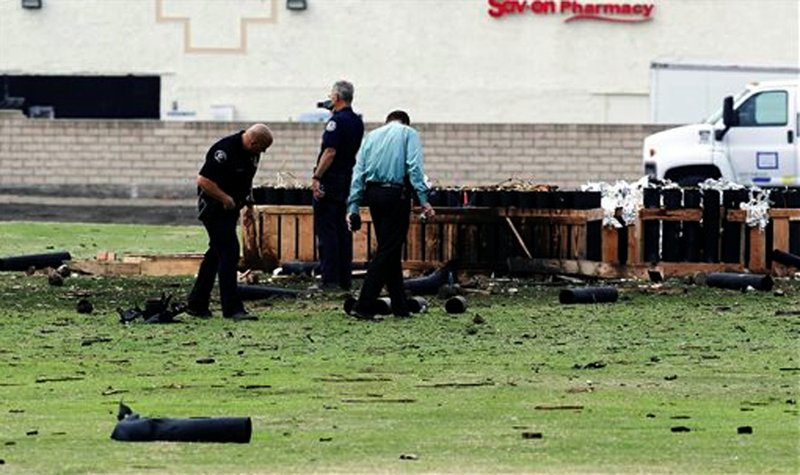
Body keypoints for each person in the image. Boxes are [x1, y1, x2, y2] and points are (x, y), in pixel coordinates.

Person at [346, 110, 435, 320]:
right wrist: (424, 200)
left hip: (374, 195)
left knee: (390, 251)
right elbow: (414, 168)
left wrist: (353, 206)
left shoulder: (371, 137)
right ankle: (364, 305)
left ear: (387, 121)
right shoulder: (408, 133)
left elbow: (358, 173)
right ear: (405, 121)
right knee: (388, 250)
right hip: (396, 195)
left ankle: (400, 307)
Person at [186, 124, 273, 321]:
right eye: (261, 148)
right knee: (229, 251)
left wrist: (248, 204)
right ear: (253, 141)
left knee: (215, 255)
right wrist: (225, 198)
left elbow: (246, 180)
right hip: (214, 209)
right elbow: (203, 180)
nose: (261, 153)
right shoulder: (224, 150)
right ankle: (232, 308)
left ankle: (197, 303)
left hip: (231, 208)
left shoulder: (252, 153)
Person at [311, 80, 365, 291]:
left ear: (336, 98)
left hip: (330, 180)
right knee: (343, 232)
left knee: (327, 232)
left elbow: (330, 152)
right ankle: (344, 279)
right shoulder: (357, 122)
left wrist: (317, 177)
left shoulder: (336, 122)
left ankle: (329, 280)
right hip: (346, 179)